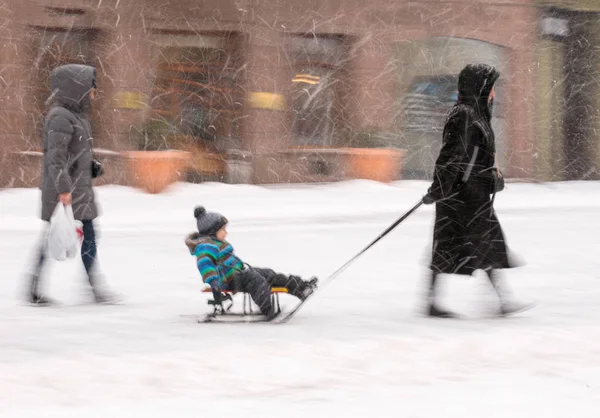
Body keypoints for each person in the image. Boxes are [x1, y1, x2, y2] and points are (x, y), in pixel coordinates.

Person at [421, 63, 531, 318]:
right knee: (455, 248)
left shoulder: (476, 113)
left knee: (483, 245)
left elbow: (477, 157)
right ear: (480, 88)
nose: (494, 93)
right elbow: (451, 157)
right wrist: (439, 189)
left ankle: (501, 302)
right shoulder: (464, 115)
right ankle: (434, 303)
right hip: (461, 198)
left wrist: (490, 179)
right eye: (491, 87)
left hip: (473, 196)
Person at [27, 64, 118, 305]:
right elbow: (55, 159)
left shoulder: (77, 117)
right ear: (76, 88)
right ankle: (38, 287)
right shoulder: (59, 117)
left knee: (81, 236)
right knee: (59, 237)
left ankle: (89, 286)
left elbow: (73, 153)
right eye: (91, 89)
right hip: (66, 191)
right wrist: (64, 189)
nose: (93, 94)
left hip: (79, 188)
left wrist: (91, 165)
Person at [185, 206, 318, 319]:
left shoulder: (215, 243)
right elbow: (205, 264)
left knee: (268, 274)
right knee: (255, 280)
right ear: (213, 232)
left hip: (238, 273)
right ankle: (268, 309)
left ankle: (300, 288)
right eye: (223, 229)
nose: (226, 232)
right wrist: (214, 282)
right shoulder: (206, 246)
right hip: (229, 279)